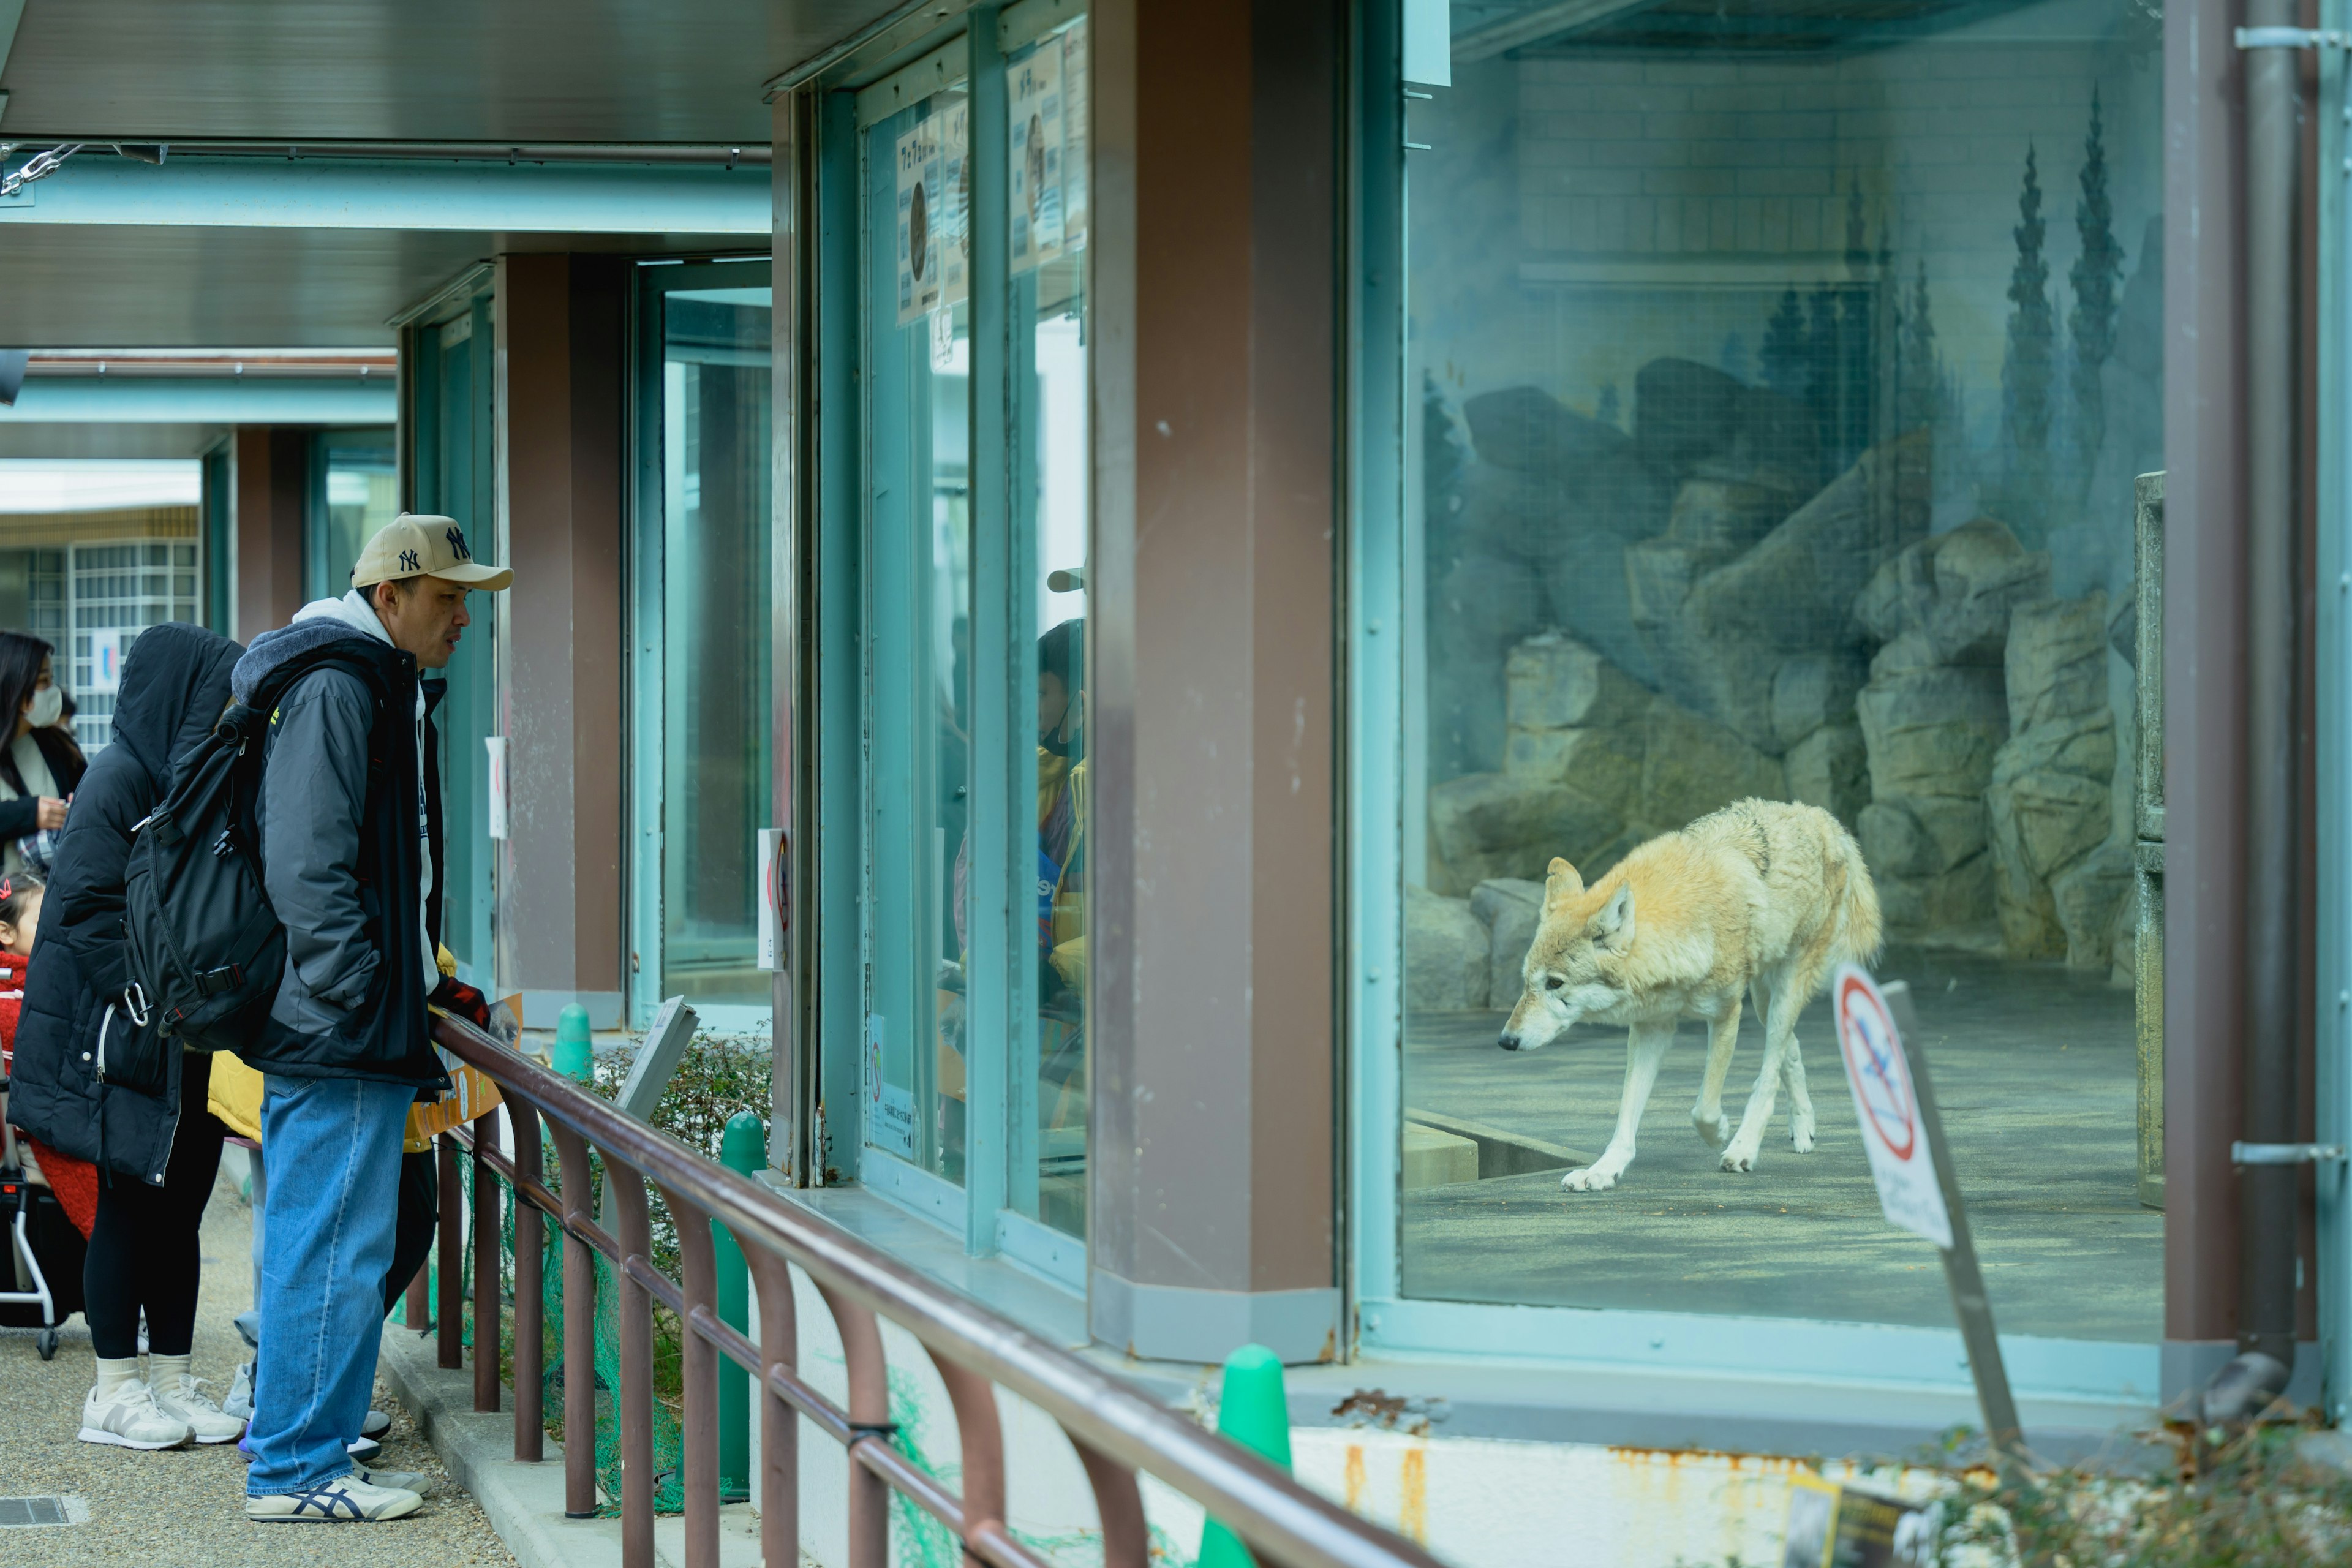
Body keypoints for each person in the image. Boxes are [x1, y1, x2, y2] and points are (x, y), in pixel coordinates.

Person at [236, 514, 511, 1525]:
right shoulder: (340, 683)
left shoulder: (361, 678)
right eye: (449, 599)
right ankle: (298, 1471)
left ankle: (300, 1455)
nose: (465, 620)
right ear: (389, 596)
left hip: (340, 1018)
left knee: (332, 1242)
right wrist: (365, 993)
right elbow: (308, 866)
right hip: (336, 1026)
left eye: (469, 601)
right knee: (331, 1249)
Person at [5, 622, 246, 1450]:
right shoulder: (118, 780)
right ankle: (112, 1393)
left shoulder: (187, 777)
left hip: (177, 1037)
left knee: (179, 1209)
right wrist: (153, 998)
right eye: (215, 692)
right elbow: (82, 911)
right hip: (120, 1040)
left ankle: (174, 1383)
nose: (226, 707)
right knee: (127, 1209)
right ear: (180, 695)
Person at [0, 874, 99, 1242]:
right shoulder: (12, 999)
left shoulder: (46, 977)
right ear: (6, 933)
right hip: (32, 1137)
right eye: (43, 919)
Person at [0, 632, 86, 880]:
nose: (53, 691)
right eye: (43, 682)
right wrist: (29, 814)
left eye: (52, 680)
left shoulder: (58, 745)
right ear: (15, 687)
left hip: (50, 899)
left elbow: (89, 792)